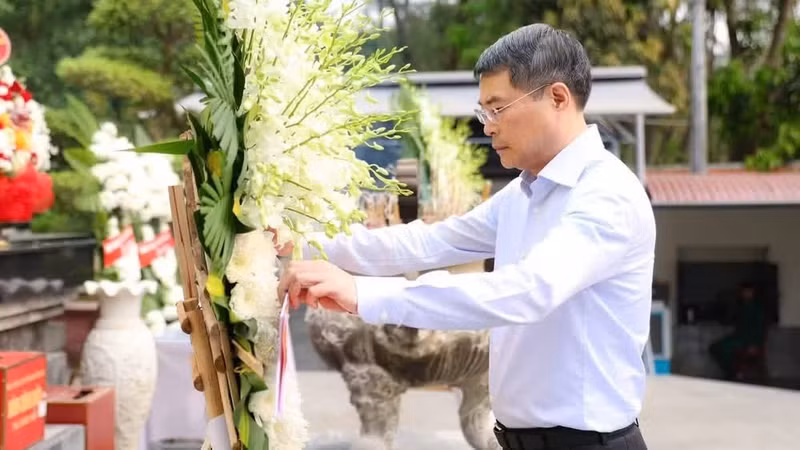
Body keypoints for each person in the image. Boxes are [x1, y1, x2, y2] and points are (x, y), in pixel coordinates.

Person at [277, 23, 655, 450]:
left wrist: (365, 294)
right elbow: (429, 242)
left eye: (497, 108)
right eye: (483, 112)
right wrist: (307, 240)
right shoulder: (524, 192)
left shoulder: (607, 194)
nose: (487, 127)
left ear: (557, 97)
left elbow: (525, 291)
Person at [709, 282, 768, 380]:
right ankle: (733, 372)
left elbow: (760, 328)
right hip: (738, 337)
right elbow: (730, 319)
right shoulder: (740, 305)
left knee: (726, 349)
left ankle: (735, 372)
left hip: (749, 341)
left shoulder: (758, 308)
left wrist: (755, 344)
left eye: (749, 291)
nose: (746, 294)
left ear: (753, 292)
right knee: (715, 348)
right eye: (744, 291)